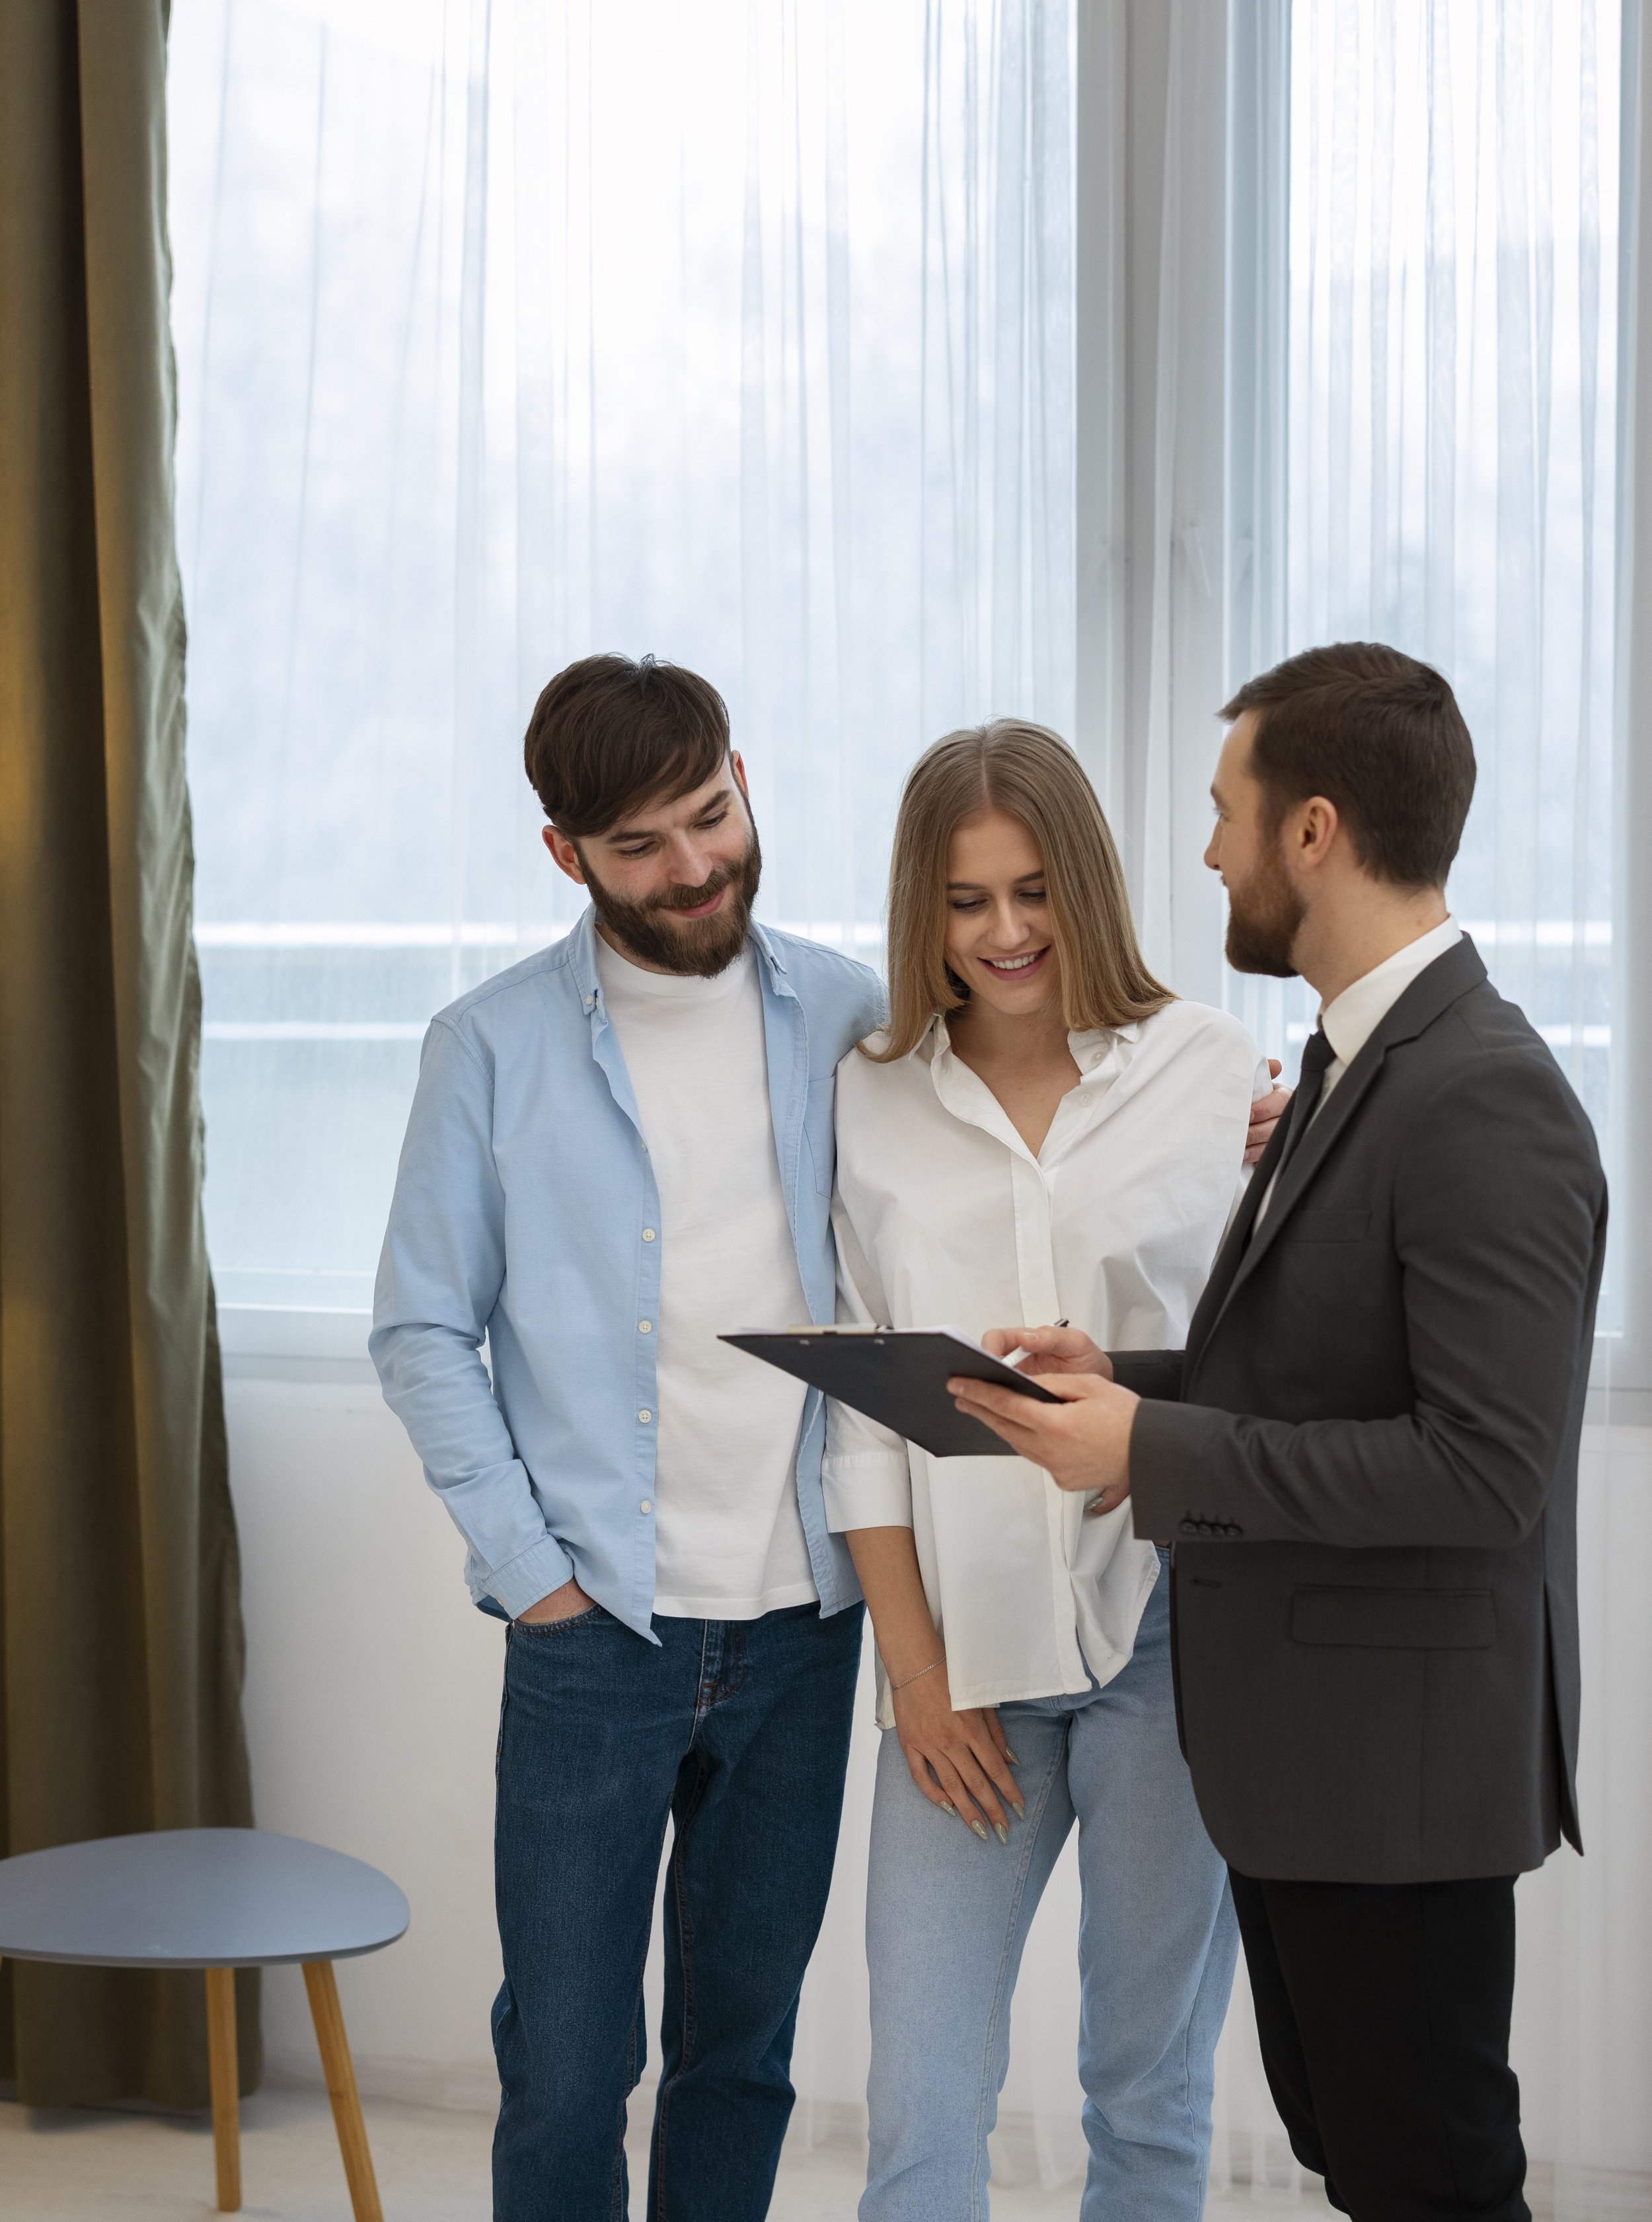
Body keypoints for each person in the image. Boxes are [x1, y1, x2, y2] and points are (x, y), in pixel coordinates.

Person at [952, 644, 1608, 2222]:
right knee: (1361, 2159)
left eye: (1220, 812)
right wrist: (1120, 1383)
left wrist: (1145, 1455)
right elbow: (1318, 1371)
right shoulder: (1346, 1064)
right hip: (1315, 1761)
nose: (1202, 855)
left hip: (1398, 1777)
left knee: (1429, 2177)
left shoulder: (1479, 1096)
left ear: (1310, 831)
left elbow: (1481, 1466)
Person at [370, 653, 886, 2221]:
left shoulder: (854, 1015)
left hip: (804, 1619)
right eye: (639, 847)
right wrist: (537, 1576)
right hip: (596, 1625)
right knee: (569, 2059)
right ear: (565, 855)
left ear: (744, 778)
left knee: (741, 2051)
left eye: (710, 818)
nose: (691, 870)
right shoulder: (490, 1045)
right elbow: (417, 1328)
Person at [823, 719, 1289, 2221]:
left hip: (1173, 1646)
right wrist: (911, 1664)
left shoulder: (1212, 1074)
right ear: (923, 910)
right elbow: (859, 1410)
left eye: (1031, 889)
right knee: (919, 2100)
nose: (1006, 932)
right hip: (965, 1661)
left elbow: (1279, 1356)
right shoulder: (872, 1096)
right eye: (965, 901)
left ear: (1081, 883)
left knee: (1144, 2088)